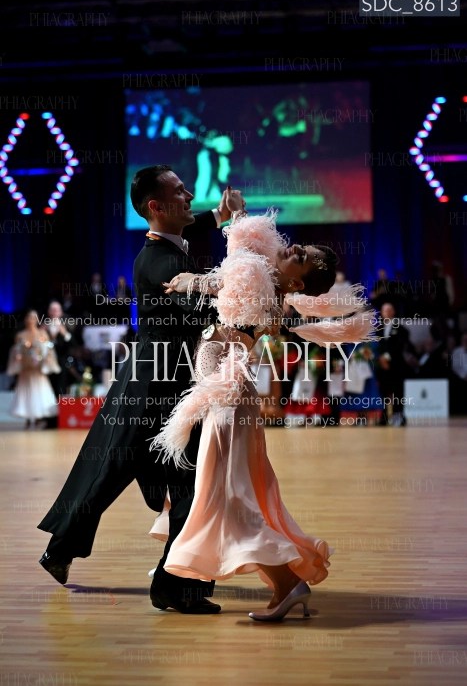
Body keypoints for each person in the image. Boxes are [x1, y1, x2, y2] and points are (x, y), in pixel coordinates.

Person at [147, 209, 377, 621]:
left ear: (298, 281)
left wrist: (189, 281)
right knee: (230, 491)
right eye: (301, 247)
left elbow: (224, 279)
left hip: (229, 396)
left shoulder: (257, 278)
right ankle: (255, 578)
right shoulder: (269, 285)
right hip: (229, 394)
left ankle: (285, 583)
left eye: (301, 256)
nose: (294, 247)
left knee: (230, 494)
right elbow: (234, 271)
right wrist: (231, 219)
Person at [37, 164, 244, 615]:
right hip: (154, 387)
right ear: (156, 206)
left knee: (144, 475)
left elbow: (191, 241)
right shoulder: (160, 262)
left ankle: (167, 581)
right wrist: (245, 274)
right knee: (133, 472)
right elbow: (203, 308)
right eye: (180, 190)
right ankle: (171, 584)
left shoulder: (165, 247)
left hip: (162, 379)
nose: (189, 195)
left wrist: (221, 217)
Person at [6, 309, 61, 429]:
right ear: (25, 319)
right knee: (26, 392)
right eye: (29, 317)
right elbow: (16, 351)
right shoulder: (20, 335)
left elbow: (48, 350)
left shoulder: (42, 333)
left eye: (33, 317)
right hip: (26, 370)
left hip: (38, 370)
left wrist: (43, 360)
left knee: (38, 392)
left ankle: (38, 418)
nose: (31, 320)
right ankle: (28, 418)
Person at [42, 300, 76, 428]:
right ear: (49, 312)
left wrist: (65, 333)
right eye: (52, 309)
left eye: (57, 310)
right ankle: (49, 421)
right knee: (48, 391)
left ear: (61, 312)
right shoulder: (44, 326)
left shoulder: (67, 325)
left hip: (61, 364)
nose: (55, 312)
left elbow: (73, 344)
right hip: (47, 364)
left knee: (60, 390)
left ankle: (61, 419)